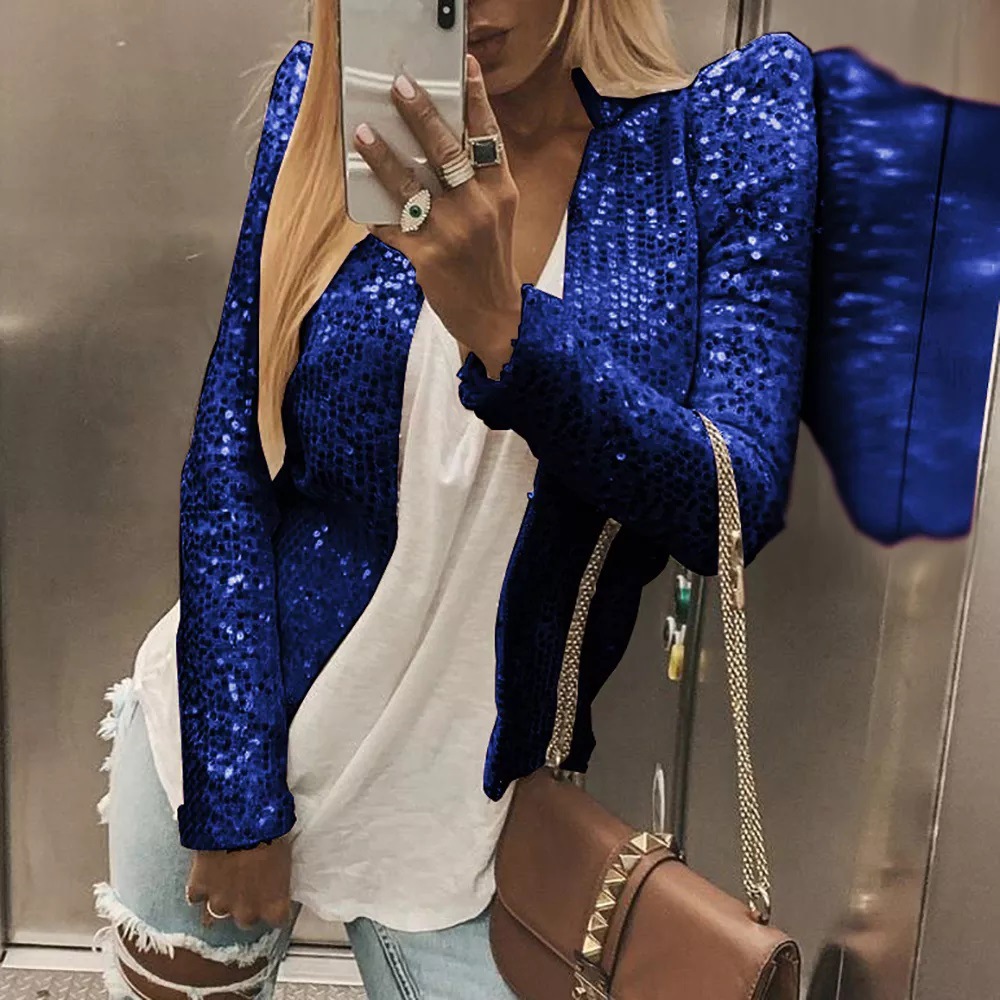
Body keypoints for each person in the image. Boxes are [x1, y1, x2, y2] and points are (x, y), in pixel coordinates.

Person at [91, 0, 818, 996]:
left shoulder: (714, 133)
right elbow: (229, 456)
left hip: (474, 820)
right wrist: (231, 794)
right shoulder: (334, 104)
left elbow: (731, 505)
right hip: (232, 733)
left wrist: (508, 331)